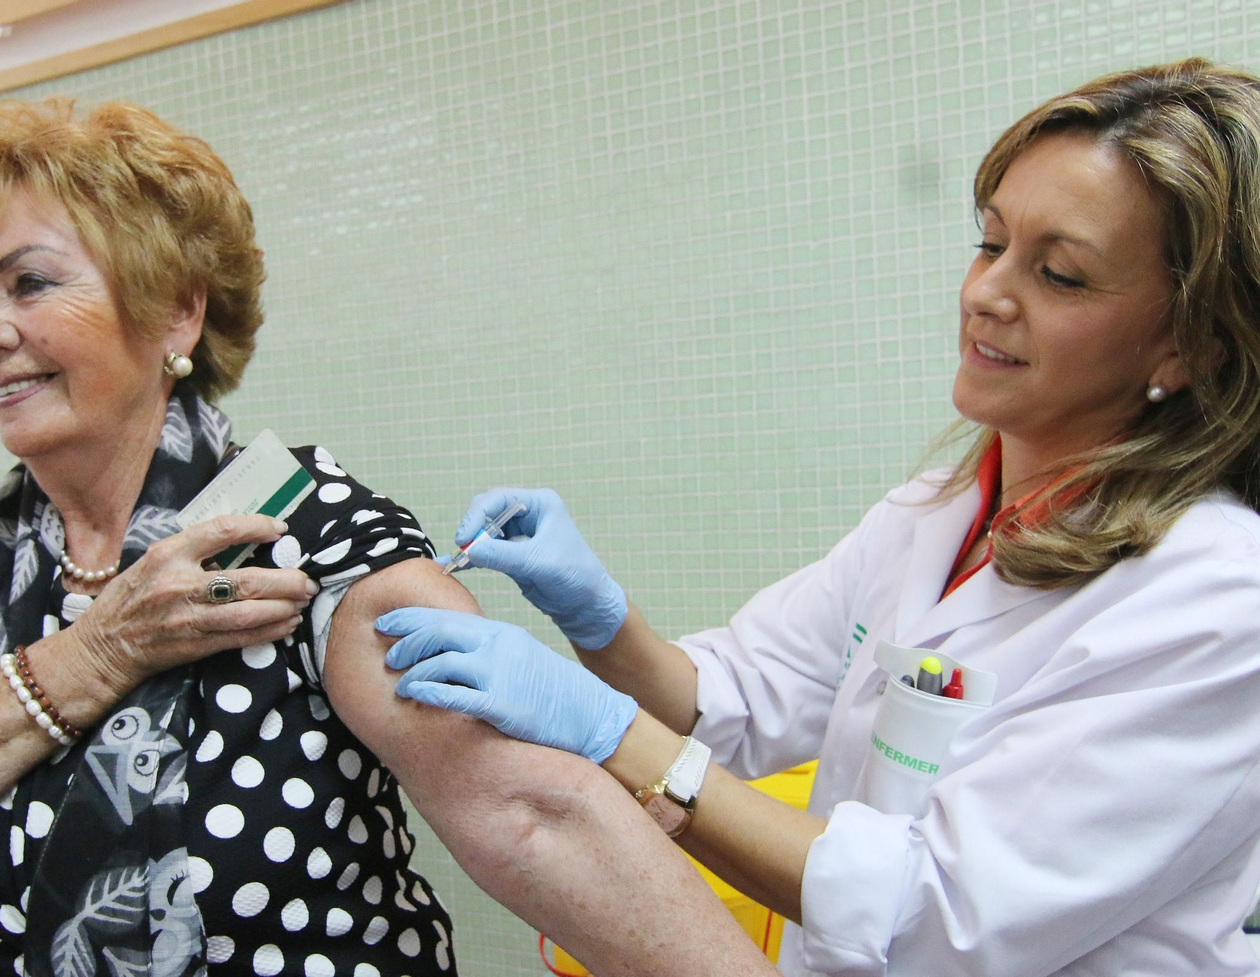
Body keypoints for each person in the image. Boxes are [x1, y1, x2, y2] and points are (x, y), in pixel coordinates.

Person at [0, 98, 774, 977]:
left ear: (177, 312)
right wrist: (96, 651)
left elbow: (536, 811)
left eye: (28, 282)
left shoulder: (300, 521)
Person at [379, 58, 1260, 976]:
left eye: (1061, 275)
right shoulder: (935, 515)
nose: (987, 294)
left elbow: (937, 914)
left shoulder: (1219, 601)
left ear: (1189, 341)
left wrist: (608, 731)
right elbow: (740, 696)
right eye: (989, 242)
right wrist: (598, 619)